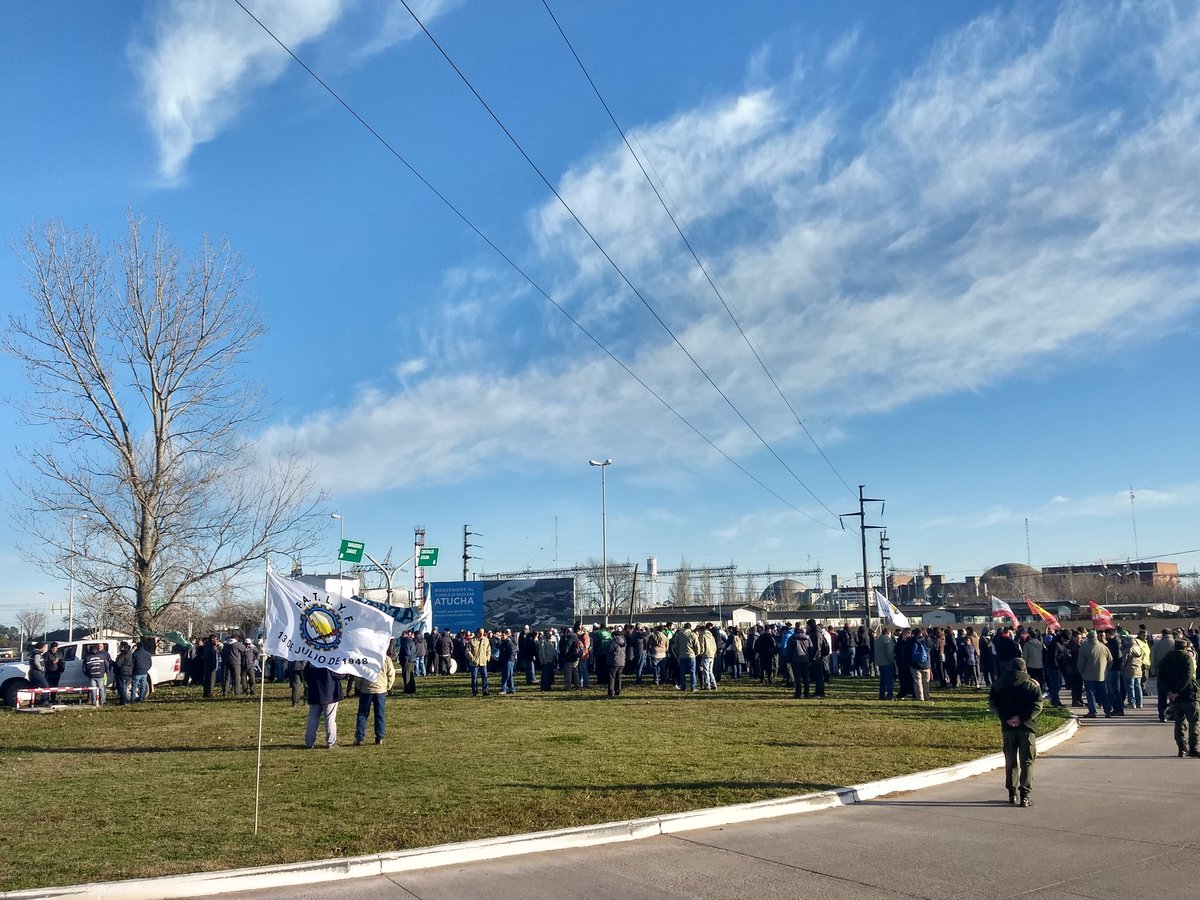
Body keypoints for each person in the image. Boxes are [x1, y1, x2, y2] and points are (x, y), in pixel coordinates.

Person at [988, 658, 1043, 807]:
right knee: (1027, 762)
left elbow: (993, 703)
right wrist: (1021, 718)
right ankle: (1024, 795)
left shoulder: (998, 684)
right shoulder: (1032, 685)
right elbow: (1037, 705)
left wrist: (1006, 718)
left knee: (1010, 761)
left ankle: (1012, 794)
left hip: (1007, 728)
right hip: (1027, 727)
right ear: (1024, 669)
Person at [1157, 638, 1199, 758]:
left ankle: (1182, 748)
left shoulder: (1167, 658)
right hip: (1189, 694)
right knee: (1194, 722)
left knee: (1179, 722)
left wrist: (1169, 691)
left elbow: (1161, 676)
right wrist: (1177, 691)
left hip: (1174, 697)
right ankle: (1194, 748)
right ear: (1185, 647)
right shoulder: (1187, 658)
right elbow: (1188, 675)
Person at [354, 652, 395, 746]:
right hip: (380, 690)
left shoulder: (364, 657)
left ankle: (359, 737)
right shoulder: (386, 658)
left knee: (362, 714)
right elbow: (391, 673)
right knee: (379, 714)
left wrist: (359, 686)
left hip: (366, 689)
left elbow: (358, 674)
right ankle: (379, 737)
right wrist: (388, 686)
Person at [302, 664, 344, 749]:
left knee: (312, 719)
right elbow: (339, 675)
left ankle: (309, 742)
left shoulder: (312, 660)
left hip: (314, 693)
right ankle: (331, 742)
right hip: (329, 693)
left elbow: (305, 674)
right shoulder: (329, 660)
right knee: (330, 718)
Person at [1076, 630, 1113, 718]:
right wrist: (1106, 670)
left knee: (1090, 693)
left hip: (1088, 675)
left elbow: (1081, 662)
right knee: (1104, 693)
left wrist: (1080, 670)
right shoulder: (1103, 647)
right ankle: (1107, 711)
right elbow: (1110, 660)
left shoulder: (1084, 647)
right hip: (1102, 675)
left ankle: (1092, 711)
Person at [787, 627, 814, 699]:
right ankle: (807, 693)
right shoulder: (808, 638)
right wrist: (810, 659)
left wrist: (789, 659)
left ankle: (798, 693)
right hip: (805, 659)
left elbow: (789, 649)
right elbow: (811, 649)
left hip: (795, 659)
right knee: (806, 677)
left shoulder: (792, 638)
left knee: (797, 677)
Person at [673, 623, 700, 692]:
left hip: (682, 655)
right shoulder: (693, 634)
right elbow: (696, 645)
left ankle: (683, 686)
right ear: (690, 627)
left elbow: (676, 645)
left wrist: (678, 653)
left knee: (682, 672)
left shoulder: (679, 634)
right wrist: (697, 653)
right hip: (691, 655)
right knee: (692, 672)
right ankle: (693, 687)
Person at [466, 627, 491, 697]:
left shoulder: (486, 640)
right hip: (474, 663)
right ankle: (474, 691)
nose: (481, 634)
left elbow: (488, 650)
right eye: (480, 633)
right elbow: (467, 651)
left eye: (483, 633)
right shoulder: (471, 641)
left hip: (483, 662)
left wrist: (487, 658)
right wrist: (473, 659)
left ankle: (485, 690)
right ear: (477, 633)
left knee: (485, 677)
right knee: (474, 677)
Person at [910, 628, 932, 702]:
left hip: (915, 664)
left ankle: (920, 697)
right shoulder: (927, 640)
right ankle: (926, 696)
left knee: (917, 681)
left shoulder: (911, 640)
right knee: (926, 681)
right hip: (926, 664)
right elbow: (933, 647)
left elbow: (907, 652)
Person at [26, 642, 51, 706]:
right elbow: (36, 662)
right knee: (45, 686)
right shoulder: (37, 654)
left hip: (32, 672)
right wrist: (40, 669)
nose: (45, 648)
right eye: (44, 647)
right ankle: (44, 701)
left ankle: (32, 702)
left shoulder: (33, 653)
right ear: (41, 647)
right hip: (36, 672)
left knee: (34, 687)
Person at [874, 627, 896, 700]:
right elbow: (889, 652)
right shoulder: (887, 640)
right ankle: (890, 695)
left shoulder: (876, 640)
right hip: (887, 662)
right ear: (888, 633)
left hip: (879, 662)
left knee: (882, 680)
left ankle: (881, 695)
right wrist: (892, 660)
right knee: (889, 680)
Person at [697, 624, 718, 691]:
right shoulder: (711, 635)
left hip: (706, 655)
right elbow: (715, 646)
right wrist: (714, 653)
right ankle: (714, 684)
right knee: (710, 671)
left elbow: (702, 646)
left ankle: (707, 685)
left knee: (705, 671)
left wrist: (700, 653)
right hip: (712, 654)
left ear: (701, 630)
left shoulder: (703, 636)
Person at [607, 626, 627, 697]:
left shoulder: (613, 642)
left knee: (612, 676)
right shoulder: (623, 641)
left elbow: (609, 650)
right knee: (619, 676)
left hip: (614, 660)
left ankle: (611, 691)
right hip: (622, 661)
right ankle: (618, 690)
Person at [114, 641, 135, 705]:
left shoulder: (123, 654)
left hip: (122, 672)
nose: (119, 647)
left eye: (120, 646)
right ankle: (125, 700)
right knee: (125, 687)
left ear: (122, 647)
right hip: (129, 672)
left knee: (122, 687)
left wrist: (113, 663)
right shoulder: (130, 653)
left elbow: (118, 663)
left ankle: (123, 701)